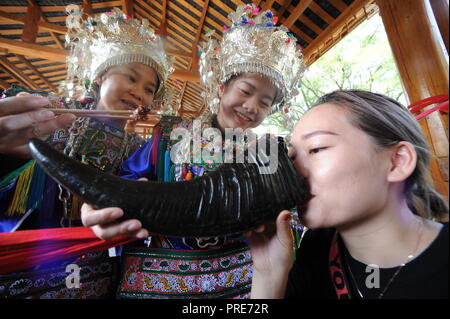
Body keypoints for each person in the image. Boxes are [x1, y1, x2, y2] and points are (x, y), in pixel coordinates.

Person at [81, 4, 305, 299]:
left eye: (264, 102)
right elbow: (126, 181)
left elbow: (286, 215)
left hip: (243, 277)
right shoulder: (171, 135)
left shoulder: (267, 152)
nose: (251, 107)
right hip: (163, 275)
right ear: (221, 87)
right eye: (246, 91)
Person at [0, 8, 173, 299]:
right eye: (130, 78)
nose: (139, 93)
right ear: (100, 77)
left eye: (149, 89)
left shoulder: (138, 148)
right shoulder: (51, 118)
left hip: (97, 272)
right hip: (26, 263)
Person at [248, 89, 449, 299]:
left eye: (316, 149)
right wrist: (269, 276)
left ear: (398, 161)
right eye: (293, 157)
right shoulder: (315, 249)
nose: (293, 172)